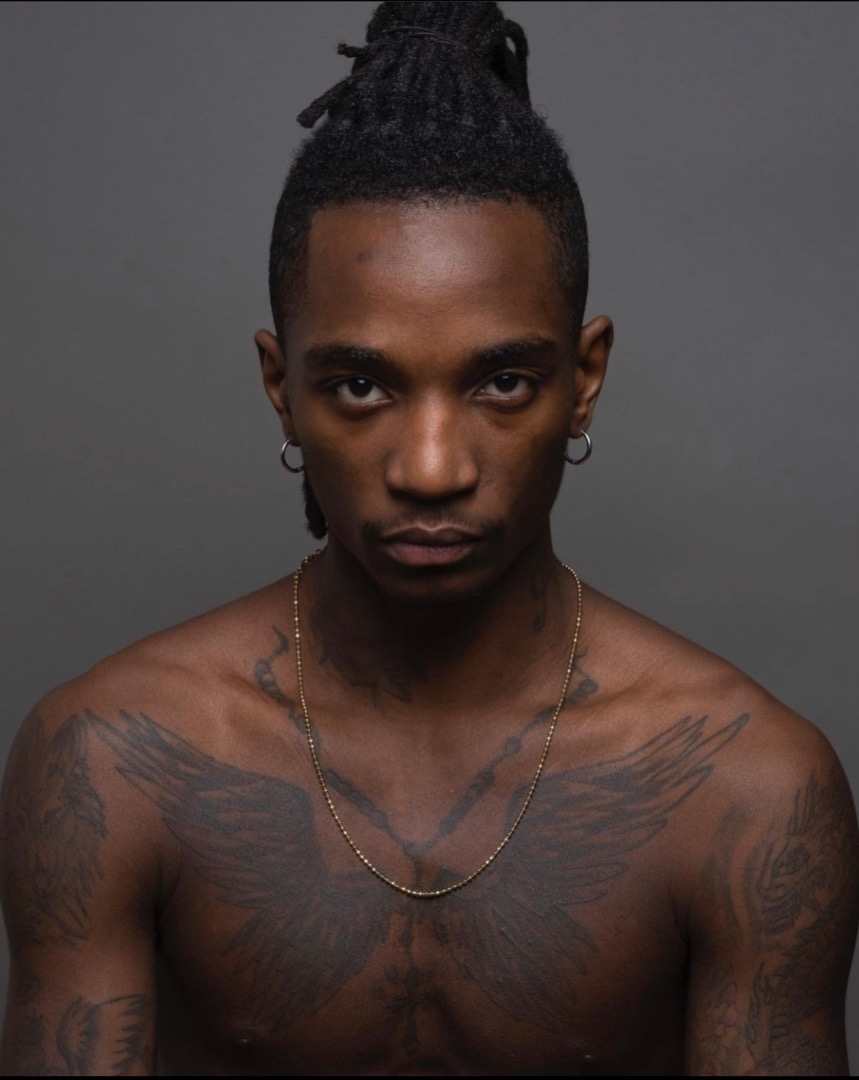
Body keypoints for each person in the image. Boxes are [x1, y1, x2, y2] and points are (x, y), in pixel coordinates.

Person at [1, 0, 857, 1074]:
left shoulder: (749, 789)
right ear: (281, 388)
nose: (432, 470)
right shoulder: (111, 761)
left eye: (503, 382)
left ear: (584, 380)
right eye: (361, 387)